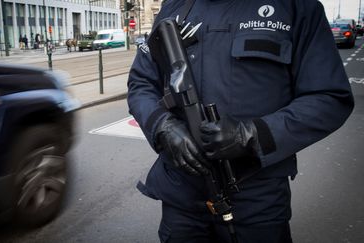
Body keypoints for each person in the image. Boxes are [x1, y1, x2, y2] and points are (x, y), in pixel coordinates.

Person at [127, 0, 354, 242]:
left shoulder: (296, 7)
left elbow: (329, 97)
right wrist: (162, 126)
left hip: (256, 201)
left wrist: (251, 135)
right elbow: (141, 83)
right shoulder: (175, 6)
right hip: (181, 199)